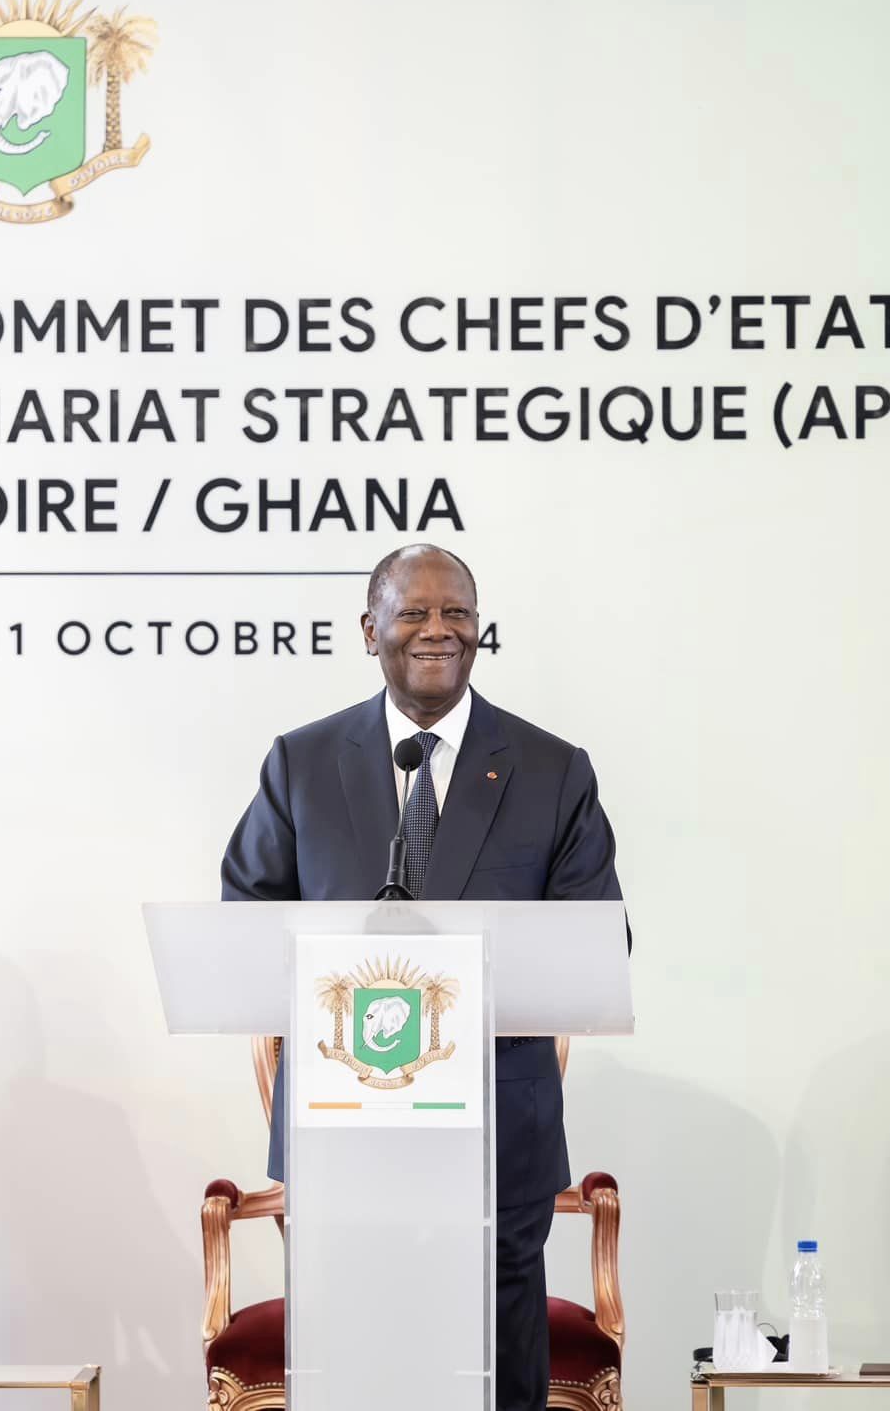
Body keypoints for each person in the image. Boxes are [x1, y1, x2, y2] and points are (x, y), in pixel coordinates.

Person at [219, 544, 624, 1411]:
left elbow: (598, 943)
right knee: (356, 1362)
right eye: (415, 613)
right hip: (345, 1127)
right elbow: (244, 923)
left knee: (496, 1369)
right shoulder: (302, 762)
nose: (438, 630)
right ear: (371, 631)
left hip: (496, 1136)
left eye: (458, 614)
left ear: (479, 632)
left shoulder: (554, 770)